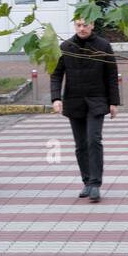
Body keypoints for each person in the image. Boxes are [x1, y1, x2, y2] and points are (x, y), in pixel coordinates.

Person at [50, 19, 120, 202]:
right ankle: (87, 181)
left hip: (97, 101)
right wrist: (56, 98)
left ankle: (96, 184)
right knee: (81, 144)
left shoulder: (103, 46)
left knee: (93, 140)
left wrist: (113, 103)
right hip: (74, 102)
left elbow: (111, 75)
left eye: (85, 25)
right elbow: (56, 74)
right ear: (74, 26)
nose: (82, 28)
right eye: (78, 25)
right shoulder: (66, 46)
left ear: (92, 26)